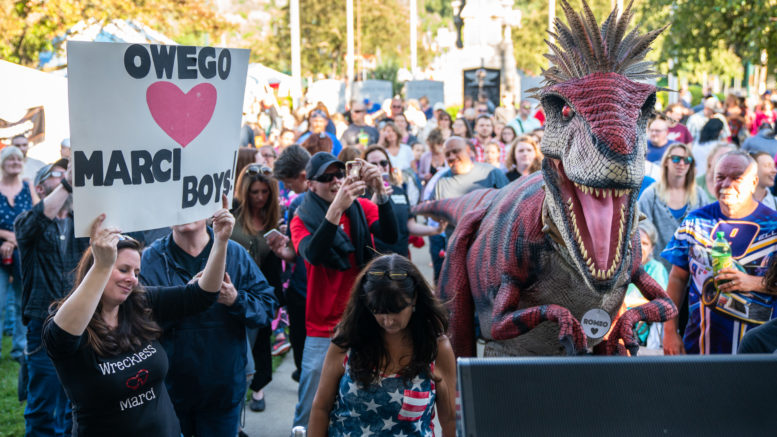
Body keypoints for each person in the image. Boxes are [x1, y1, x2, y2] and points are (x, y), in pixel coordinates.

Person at [42, 203, 233, 436]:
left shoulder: (141, 302)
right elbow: (61, 337)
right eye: (123, 269)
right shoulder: (70, 321)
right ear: (97, 267)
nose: (132, 279)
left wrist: (220, 241)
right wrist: (103, 264)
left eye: (136, 272)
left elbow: (203, 295)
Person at [140, 211, 277, 436]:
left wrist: (235, 299)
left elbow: (267, 307)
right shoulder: (152, 258)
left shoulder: (233, 253)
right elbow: (139, 322)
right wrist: (186, 299)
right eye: (177, 203)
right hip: (169, 391)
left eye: (191, 203)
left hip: (222, 391)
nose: (184, 211)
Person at [289, 152, 398, 428]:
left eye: (339, 174)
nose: (335, 181)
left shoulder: (360, 208)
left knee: (364, 398)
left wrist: (381, 191)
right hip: (322, 327)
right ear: (311, 184)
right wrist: (335, 209)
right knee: (311, 404)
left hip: (363, 318)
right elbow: (313, 253)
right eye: (326, 178)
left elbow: (391, 233)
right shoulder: (300, 218)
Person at [307, 254, 456, 437]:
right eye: (378, 311)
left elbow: (450, 419)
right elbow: (320, 407)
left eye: (396, 311)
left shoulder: (437, 349)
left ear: (415, 298)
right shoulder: (348, 341)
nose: (388, 321)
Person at [662, 151, 777, 355]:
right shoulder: (695, 221)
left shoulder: (773, 225)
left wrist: (751, 282)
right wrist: (670, 331)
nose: (726, 184)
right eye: (720, 177)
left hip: (760, 355)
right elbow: (677, 278)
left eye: (737, 177)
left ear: (753, 182)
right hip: (699, 348)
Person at [16, 159, 88, 436]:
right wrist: (68, 184)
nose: (65, 179)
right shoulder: (29, 222)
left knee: (76, 401)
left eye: (67, 176)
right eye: (57, 175)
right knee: (44, 403)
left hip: (80, 323)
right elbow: (34, 221)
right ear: (40, 187)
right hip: (43, 323)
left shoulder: (81, 223)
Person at [231, 167, 296, 413]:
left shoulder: (272, 218)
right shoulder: (232, 215)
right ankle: (236, 403)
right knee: (235, 350)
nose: (260, 197)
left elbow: (275, 264)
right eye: (255, 192)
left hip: (259, 294)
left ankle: (256, 390)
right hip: (232, 289)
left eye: (265, 192)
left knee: (258, 345)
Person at [273, 145, 312, 382]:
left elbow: (299, 251)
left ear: (303, 176)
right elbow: (298, 252)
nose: (288, 189)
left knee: (302, 344)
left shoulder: (299, 204)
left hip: (306, 288)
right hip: (305, 287)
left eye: (288, 184)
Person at [363, 146, 446, 257]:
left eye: (383, 163)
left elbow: (409, 226)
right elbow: (360, 227)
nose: (379, 168)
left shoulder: (399, 191)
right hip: (375, 261)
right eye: (373, 165)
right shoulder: (362, 195)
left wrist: (436, 230)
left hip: (400, 258)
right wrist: (376, 200)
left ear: (389, 165)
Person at [638, 144, 706, 272]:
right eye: (676, 158)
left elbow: (707, 231)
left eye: (687, 160)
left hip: (691, 270)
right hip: (658, 270)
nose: (681, 163)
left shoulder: (700, 195)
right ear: (666, 162)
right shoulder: (651, 194)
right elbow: (642, 231)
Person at [0, 146, 35, 363]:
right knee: (1, 301)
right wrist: (8, 237)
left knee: (24, 301)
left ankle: (19, 349)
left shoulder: (28, 186)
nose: (15, 162)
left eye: (19, 159)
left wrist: (13, 241)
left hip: (24, 253)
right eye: (10, 158)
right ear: (3, 162)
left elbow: (37, 216)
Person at [622, 220, 668, 350]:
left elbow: (660, 302)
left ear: (652, 248)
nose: (639, 246)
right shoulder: (621, 267)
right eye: (636, 241)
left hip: (641, 331)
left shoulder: (656, 269)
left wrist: (625, 301)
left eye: (645, 243)